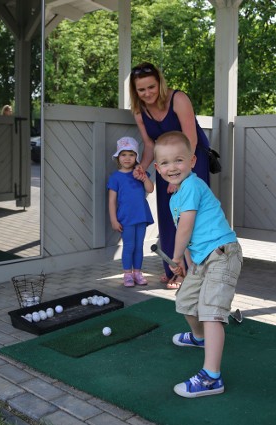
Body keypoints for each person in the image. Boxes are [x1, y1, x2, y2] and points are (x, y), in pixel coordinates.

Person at [153, 131, 242, 398]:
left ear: (192, 161)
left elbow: (185, 228)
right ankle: (199, 338)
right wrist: (188, 264)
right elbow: (189, 235)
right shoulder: (174, 198)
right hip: (202, 259)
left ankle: (211, 377)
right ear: (157, 168)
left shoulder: (192, 185)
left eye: (178, 160)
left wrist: (176, 257)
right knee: (185, 301)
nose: (172, 167)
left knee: (211, 312)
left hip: (223, 254)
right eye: (165, 163)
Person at [129, 61, 211, 290]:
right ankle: (174, 269)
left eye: (151, 87)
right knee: (168, 216)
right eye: (141, 90)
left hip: (192, 161)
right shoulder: (139, 111)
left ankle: (194, 272)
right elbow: (148, 145)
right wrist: (142, 169)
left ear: (160, 83)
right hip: (165, 167)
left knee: (189, 216)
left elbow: (191, 140)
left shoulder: (179, 99)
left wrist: (182, 178)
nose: (147, 93)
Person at [107, 136, 154, 287]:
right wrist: (114, 220)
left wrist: (143, 178)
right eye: (123, 154)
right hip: (125, 218)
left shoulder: (140, 173)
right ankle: (127, 274)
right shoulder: (115, 177)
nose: (127, 158)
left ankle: (138, 273)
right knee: (129, 246)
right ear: (118, 157)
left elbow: (150, 189)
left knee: (139, 246)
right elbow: (112, 201)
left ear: (136, 157)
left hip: (141, 216)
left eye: (131, 154)